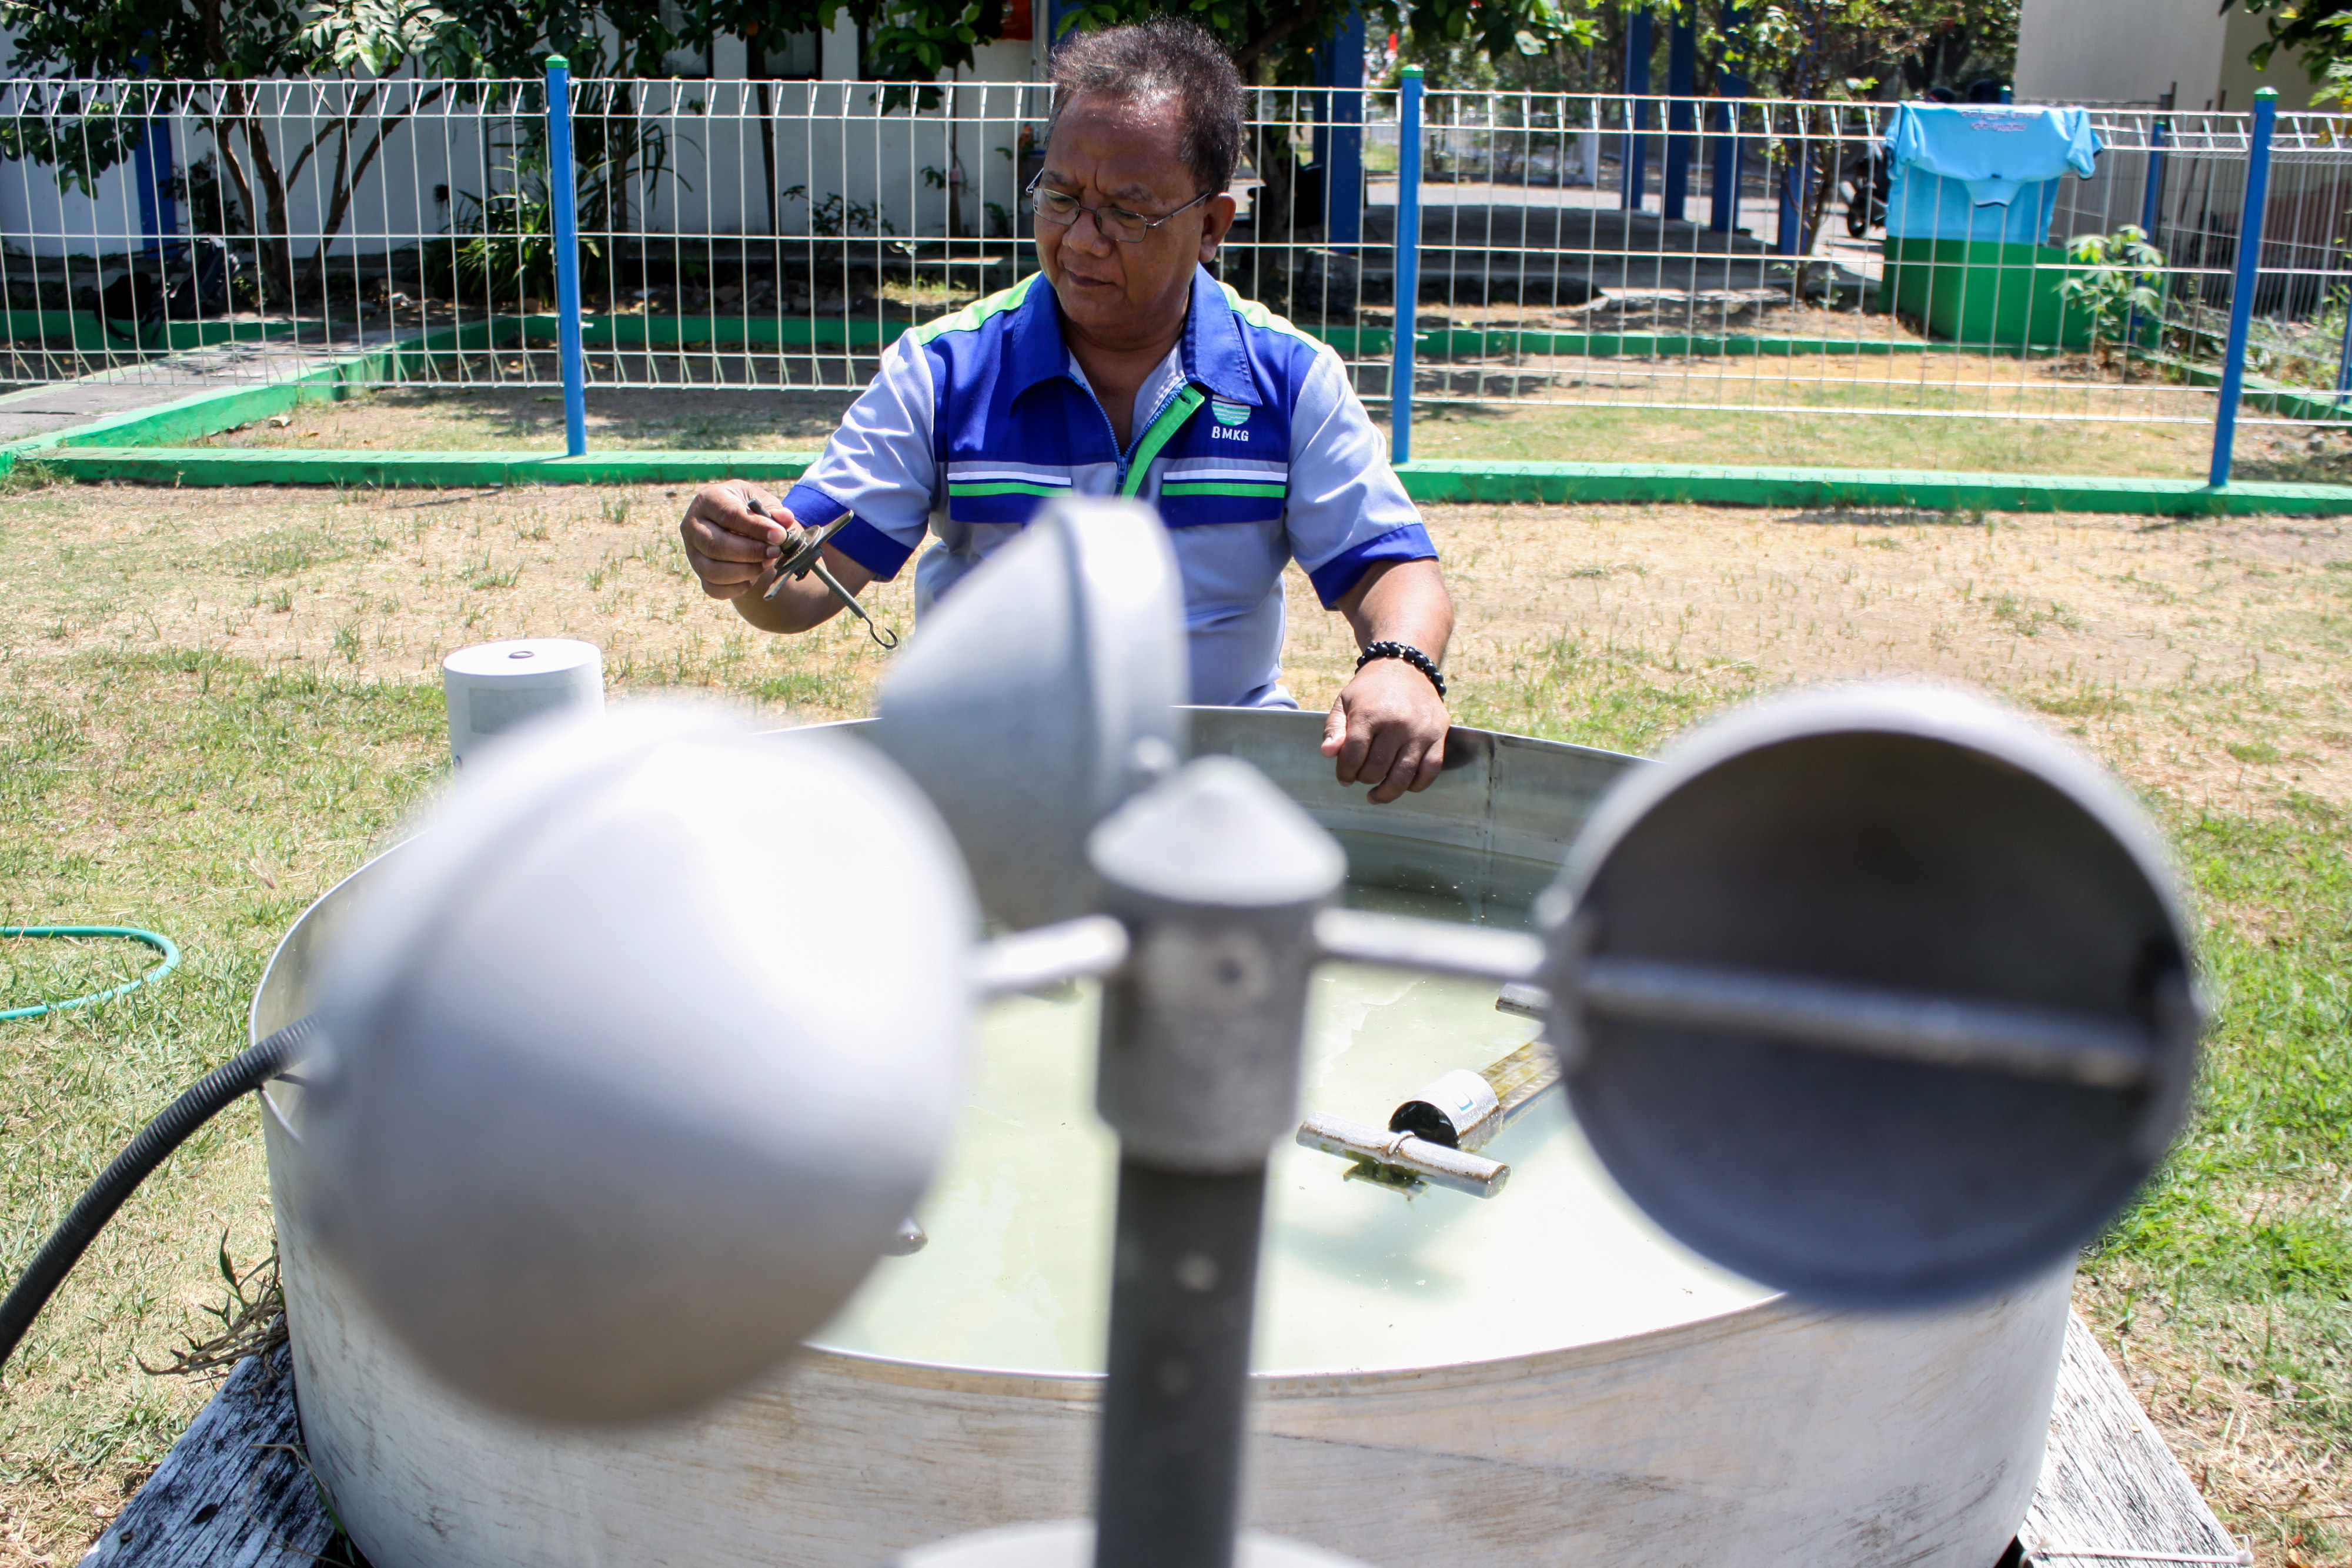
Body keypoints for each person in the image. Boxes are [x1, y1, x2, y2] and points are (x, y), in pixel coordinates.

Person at [679, 16, 1452, 804]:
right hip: (987, 787)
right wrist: (747, 556)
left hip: (1216, 783)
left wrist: (1400, 663)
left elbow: (1392, 568)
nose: (1081, 239)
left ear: (1212, 225)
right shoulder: (945, 370)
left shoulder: (1286, 379)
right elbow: (805, 585)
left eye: (1127, 209)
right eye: (1059, 196)